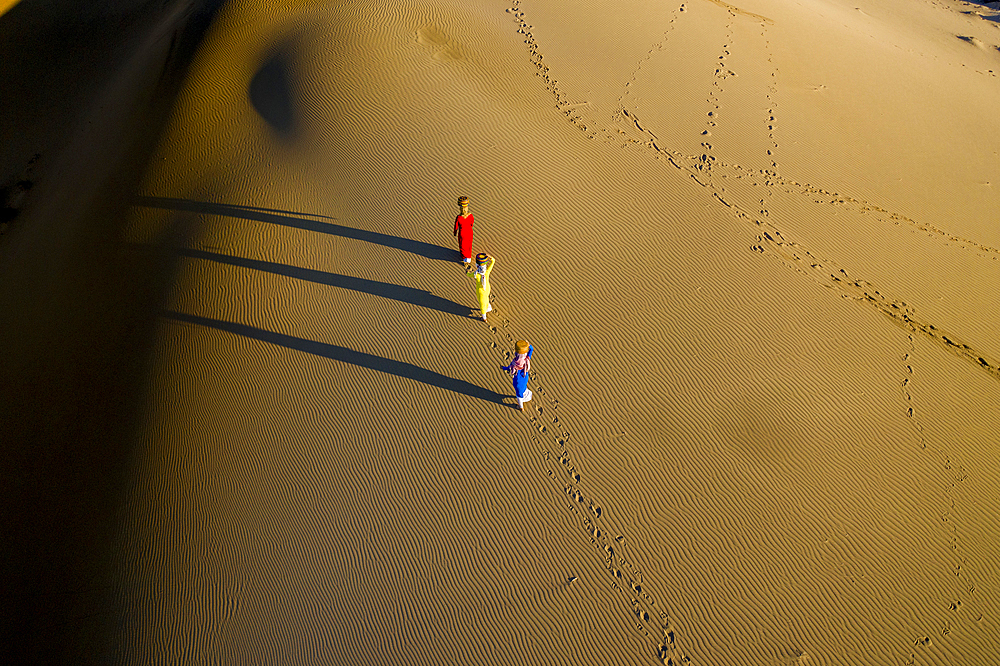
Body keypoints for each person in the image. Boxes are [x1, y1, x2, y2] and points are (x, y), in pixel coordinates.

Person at [502, 340, 533, 411]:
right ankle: (522, 401)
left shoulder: (514, 363)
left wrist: (503, 368)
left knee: (519, 394)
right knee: (524, 388)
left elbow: (509, 368)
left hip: (517, 381)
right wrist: (528, 345)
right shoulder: (526, 360)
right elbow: (531, 349)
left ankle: (521, 407)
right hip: (525, 377)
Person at [467, 252, 495, 321]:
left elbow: (469, 275)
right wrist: (490, 257)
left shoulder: (476, 274)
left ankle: (484, 318)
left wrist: (467, 272)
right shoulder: (487, 272)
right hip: (487, 288)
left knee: (482, 304)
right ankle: (488, 307)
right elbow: (493, 261)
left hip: (480, 291)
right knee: (487, 298)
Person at [454, 196, 474, 263]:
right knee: (469, 245)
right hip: (469, 232)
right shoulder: (470, 215)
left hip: (462, 233)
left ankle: (465, 258)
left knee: (462, 245)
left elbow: (456, 226)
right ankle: (469, 257)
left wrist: (455, 233)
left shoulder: (459, 217)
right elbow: (472, 223)